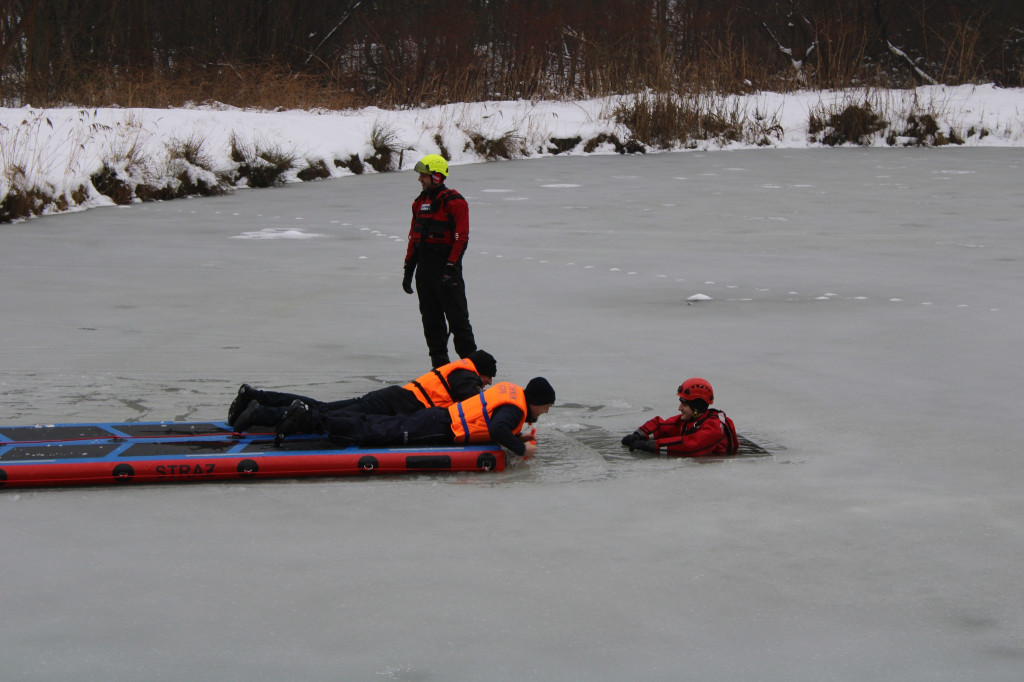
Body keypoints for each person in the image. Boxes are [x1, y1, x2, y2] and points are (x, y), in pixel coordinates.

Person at [273, 377, 556, 459]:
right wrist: (520, 448)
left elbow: (492, 420)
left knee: (382, 425)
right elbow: (497, 429)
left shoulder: (513, 392)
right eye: (546, 407)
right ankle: (310, 419)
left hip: (440, 416)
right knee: (377, 431)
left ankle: (312, 416)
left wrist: (517, 435)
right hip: (441, 427)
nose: (545, 412)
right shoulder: (516, 408)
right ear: (537, 402)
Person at [228, 350, 497, 432]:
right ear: (481, 371)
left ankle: (255, 396)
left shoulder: (460, 370)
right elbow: (474, 406)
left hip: (394, 398)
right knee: (320, 414)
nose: (486, 385)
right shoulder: (466, 376)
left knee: (323, 408)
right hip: (394, 404)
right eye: (488, 380)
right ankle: (261, 411)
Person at [402, 153, 477, 368]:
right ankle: (440, 368)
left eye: (423, 176)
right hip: (425, 272)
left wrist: (450, 268)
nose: (420, 179)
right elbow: (414, 238)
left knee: (459, 322)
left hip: (447, 271)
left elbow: (461, 238)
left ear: (436, 176)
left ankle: (472, 370)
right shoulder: (419, 203)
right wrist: (409, 270)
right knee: (431, 321)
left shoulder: (455, 202)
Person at [620, 378, 738, 457]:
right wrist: (639, 434)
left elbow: (690, 446)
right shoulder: (691, 420)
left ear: (697, 407)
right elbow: (661, 425)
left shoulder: (714, 427)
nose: (679, 408)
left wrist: (648, 446)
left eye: (684, 405)